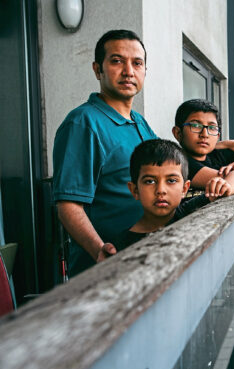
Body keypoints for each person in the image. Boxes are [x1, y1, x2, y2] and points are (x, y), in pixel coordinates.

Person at [53, 30, 157, 277]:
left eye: (137, 63)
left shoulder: (139, 122)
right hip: (107, 269)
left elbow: (166, 165)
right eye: (117, 61)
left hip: (145, 262)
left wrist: (221, 147)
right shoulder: (83, 123)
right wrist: (99, 250)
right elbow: (69, 204)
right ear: (97, 69)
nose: (128, 71)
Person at [172, 99, 234, 199]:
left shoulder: (217, 154)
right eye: (195, 126)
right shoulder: (178, 163)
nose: (204, 134)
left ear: (218, 136)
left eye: (212, 128)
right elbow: (227, 181)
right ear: (178, 133)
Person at [113, 139, 205, 250]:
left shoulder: (190, 212)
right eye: (149, 181)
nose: (161, 190)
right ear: (135, 190)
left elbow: (229, 183)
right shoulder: (121, 246)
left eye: (171, 181)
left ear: (184, 189)